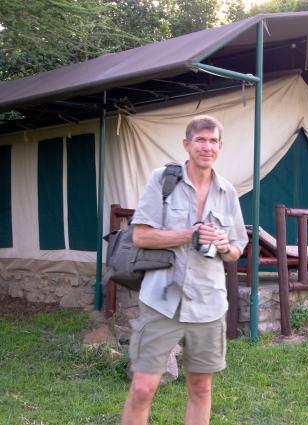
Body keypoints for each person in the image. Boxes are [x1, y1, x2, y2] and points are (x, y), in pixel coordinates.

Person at [121, 115, 248, 425]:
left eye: (213, 141)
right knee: (142, 388)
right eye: (201, 140)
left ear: (220, 146)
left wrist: (222, 245)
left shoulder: (227, 192)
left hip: (208, 304)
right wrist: (189, 234)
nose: (207, 147)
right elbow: (141, 235)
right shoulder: (164, 180)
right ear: (187, 144)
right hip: (162, 302)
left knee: (201, 388)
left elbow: (237, 250)